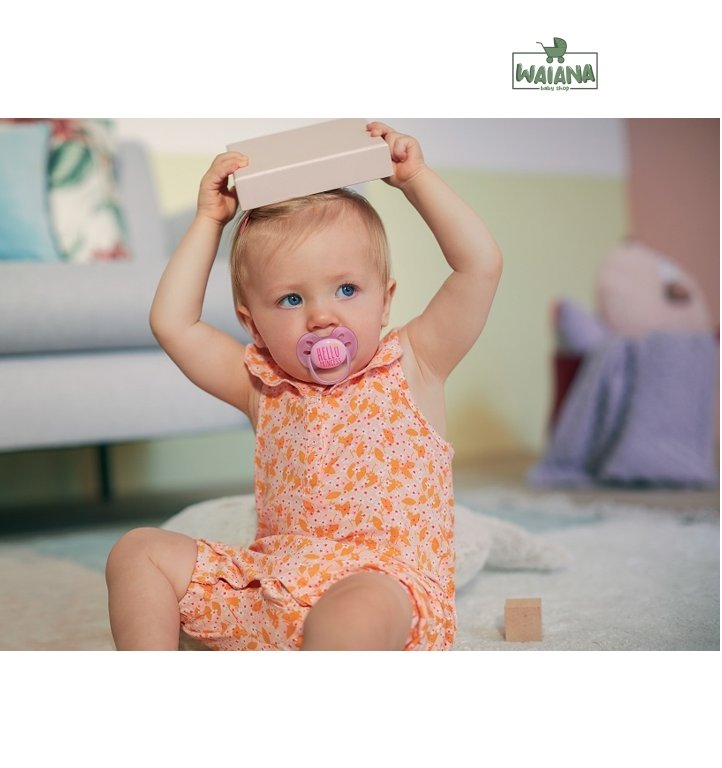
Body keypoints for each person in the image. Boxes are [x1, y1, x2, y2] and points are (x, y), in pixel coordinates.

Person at [105, 122, 502, 650]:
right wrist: (209, 221)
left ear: (385, 302)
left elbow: (479, 267)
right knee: (137, 552)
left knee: (353, 611)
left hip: (385, 588)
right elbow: (173, 324)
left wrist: (417, 180)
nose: (321, 316)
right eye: (291, 300)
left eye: (346, 289)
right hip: (273, 585)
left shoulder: (415, 362)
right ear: (253, 325)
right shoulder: (260, 384)